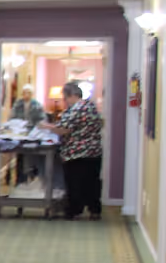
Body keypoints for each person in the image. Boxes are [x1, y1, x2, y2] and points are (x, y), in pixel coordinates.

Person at [41, 81, 103, 220]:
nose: (65, 101)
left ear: (72, 95)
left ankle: (74, 211)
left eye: (65, 98)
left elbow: (64, 129)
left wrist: (47, 127)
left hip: (77, 153)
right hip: (94, 152)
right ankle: (95, 210)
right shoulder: (90, 106)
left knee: (75, 183)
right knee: (92, 183)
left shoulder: (77, 108)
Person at [10, 86, 45, 183]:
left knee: (33, 155)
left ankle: (34, 176)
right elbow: (12, 117)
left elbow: (42, 119)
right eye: (25, 92)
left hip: (33, 133)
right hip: (20, 133)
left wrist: (37, 127)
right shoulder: (18, 104)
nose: (26, 94)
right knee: (20, 155)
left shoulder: (37, 105)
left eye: (29, 92)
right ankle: (20, 179)